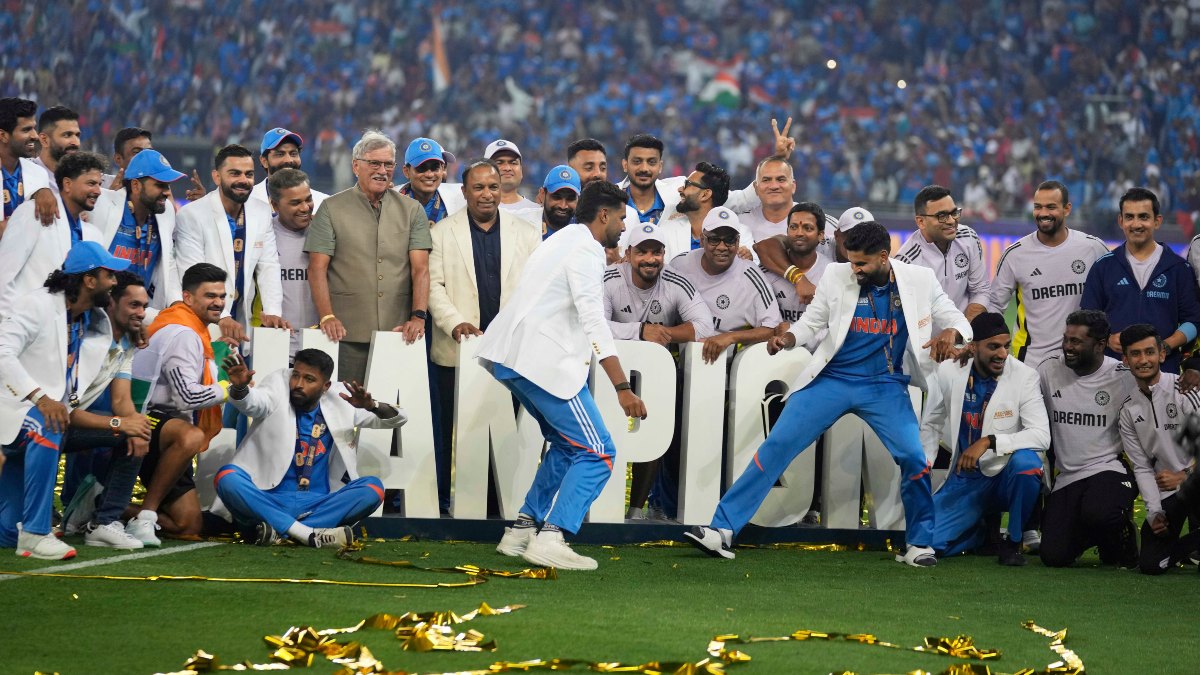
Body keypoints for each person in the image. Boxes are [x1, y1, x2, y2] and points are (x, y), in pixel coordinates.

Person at [685, 221, 971, 567]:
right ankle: (722, 530)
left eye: (862, 263)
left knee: (913, 457)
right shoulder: (838, 275)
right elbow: (812, 322)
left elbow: (959, 319)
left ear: (884, 257)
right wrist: (788, 338)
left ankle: (918, 545)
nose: (855, 269)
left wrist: (953, 331)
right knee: (777, 446)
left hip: (886, 385)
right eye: (851, 261)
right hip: (831, 379)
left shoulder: (918, 281)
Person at [479, 180, 646, 571]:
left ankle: (522, 530)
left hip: (513, 358)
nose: (624, 227)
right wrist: (622, 387)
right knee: (598, 452)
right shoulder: (587, 249)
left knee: (566, 444)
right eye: (621, 218)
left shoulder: (559, 239)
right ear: (603, 215)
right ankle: (553, 537)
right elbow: (593, 318)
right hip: (544, 362)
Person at [0, 241, 129, 559]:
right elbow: (2, 353)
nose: (114, 282)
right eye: (109, 275)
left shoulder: (90, 318)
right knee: (49, 422)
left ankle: (19, 529)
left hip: (32, 418)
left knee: (4, 533)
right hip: (13, 408)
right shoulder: (37, 306)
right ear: (89, 280)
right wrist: (41, 399)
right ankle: (34, 532)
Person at [427, 159, 541, 512]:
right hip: (455, 348)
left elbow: (536, 291)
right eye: (478, 187)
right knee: (446, 428)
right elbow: (433, 287)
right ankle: (442, 498)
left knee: (506, 429)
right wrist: (455, 322)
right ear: (464, 192)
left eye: (493, 186)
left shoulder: (526, 233)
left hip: (510, 351)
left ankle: (496, 502)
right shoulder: (441, 232)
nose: (487, 194)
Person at [212, 349, 405, 548]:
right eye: (296, 375)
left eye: (309, 379)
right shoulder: (278, 385)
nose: (298, 384)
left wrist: (371, 405)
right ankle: (306, 533)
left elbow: (399, 418)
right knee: (227, 477)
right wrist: (240, 389)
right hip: (267, 498)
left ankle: (278, 532)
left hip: (318, 504)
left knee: (373, 488)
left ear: (325, 386)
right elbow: (254, 404)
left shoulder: (342, 399)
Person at [920, 312, 1050, 566]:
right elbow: (932, 422)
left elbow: (1041, 435)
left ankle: (1013, 543)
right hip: (965, 478)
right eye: (993, 346)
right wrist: (923, 465)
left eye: (1006, 346)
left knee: (1027, 464)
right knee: (925, 542)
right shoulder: (948, 372)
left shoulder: (1025, 376)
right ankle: (980, 534)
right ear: (972, 347)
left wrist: (989, 441)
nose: (1002, 354)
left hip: (1004, 475)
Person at [305, 130, 432, 384]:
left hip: (398, 332)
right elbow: (317, 268)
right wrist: (327, 316)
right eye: (374, 163)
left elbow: (421, 269)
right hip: (344, 332)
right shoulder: (331, 208)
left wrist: (418, 316)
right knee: (344, 410)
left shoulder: (412, 210)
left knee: (392, 413)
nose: (382, 170)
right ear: (355, 166)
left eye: (388, 164)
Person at [129, 263, 235, 542]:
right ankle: (147, 516)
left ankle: (100, 505)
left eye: (222, 296)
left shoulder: (191, 328)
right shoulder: (184, 334)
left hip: (165, 422)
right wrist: (229, 389)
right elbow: (186, 396)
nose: (219, 303)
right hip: (146, 418)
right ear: (188, 298)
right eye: (210, 296)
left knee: (187, 525)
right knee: (190, 437)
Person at [58, 271, 154, 550]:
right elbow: (65, 409)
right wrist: (119, 424)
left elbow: (122, 401)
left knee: (138, 432)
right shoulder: (86, 341)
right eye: (134, 305)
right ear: (111, 303)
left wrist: (134, 424)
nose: (142, 313)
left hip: (70, 424)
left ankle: (104, 524)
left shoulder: (125, 343)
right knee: (127, 429)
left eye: (144, 306)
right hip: (49, 423)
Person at [1037, 310, 1139, 568]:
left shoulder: (1123, 376)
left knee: (1100, 514)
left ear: (1100, 345)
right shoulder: (1048, 370)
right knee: (1054, 557)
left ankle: (1119, 531)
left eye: (1076, 342)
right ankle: (1101, 534)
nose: (1068, 347)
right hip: (1067, 476)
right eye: (1066, 339)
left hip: (1108, 468)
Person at [175, 144, 289, 345]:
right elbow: (193, 273)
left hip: (241, 319)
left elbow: (269, 266)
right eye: (234, 173)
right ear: (217, 177)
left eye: (249, 174)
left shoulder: (261, 212)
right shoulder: (192, 214)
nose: (243, 180)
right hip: (203, 319)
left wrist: (272, 311)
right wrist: (222, 316)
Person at [989, 180, 1110, 366]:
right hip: (1032, 364)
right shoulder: (1015, 255)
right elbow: (994, 305)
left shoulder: (1093, 248)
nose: (1043, 213)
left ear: (1067, 209)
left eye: (1051, 207)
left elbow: (1112, 299)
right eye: (1038, 207)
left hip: (1083, 362)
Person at [1081, 187, 1200, 374]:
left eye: (1143, 217)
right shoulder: (1102, 267)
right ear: (1121, 221)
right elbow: (1087, 320)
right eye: (1129, 217)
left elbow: (1193, 322)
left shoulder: (1179, 268)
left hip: (1164, 373)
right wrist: (1107, 338)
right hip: (1112, 373)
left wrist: (1166, 346)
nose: (1136, 224)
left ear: (1157, 221)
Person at [1116, 323, 1200, 575]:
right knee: (1151, 565)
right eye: (1136, 354)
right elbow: (1141, 466)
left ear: (1162, 354)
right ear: (1126, 360)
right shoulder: (1128, 410)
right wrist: (1154, 512)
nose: (1144, 360)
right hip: (1169, 492)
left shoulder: (1186, 391)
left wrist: (1185, 477)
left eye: (1149, 352)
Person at [666, 208, 779, 364]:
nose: (722, 247)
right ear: (701, 240)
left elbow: (772, 328)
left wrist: (730, 337)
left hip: (727, 367)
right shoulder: (679, 264)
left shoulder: (751, 274)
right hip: (677, 363)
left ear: (738, 241)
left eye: (729, 240)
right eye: (714, 239)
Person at [0, 151, 104, 316]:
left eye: (100, 183)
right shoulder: (32, 213)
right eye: (91, 183)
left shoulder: (94, 235)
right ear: (68, 184)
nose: (98, 191)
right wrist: (9, 323)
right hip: (28, 327)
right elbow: (4, 275)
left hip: (71, 331)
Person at [88, 149, 188, 316]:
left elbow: (167, 263)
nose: (166, 192)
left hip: (142, 312)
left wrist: (177, 303)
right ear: (135, 185)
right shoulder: (102, 205)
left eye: (168, 185)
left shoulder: (166, 211)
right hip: (101, 310)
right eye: (159, 185)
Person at [603, 222, 714, 344]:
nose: (650, 259)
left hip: (660, 360)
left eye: (656, 252)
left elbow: (706, 328)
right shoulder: (609, 278)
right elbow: (594, 326)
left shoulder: (676, 281)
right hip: (617, 357)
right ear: (628, 254)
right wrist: (640, 331)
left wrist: (659, 333)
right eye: (641, 252)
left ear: (664, 254)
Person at [893, 185, 989, 320]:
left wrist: (960, 330)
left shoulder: (968, 237)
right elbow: (902, 314)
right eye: (942, 216)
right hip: (927, 340)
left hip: (964, 336)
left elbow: (981, 290)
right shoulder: (907, 262)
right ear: (921, 222)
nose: (951, 221)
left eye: (954, 213)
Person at [265, 168, 319, 358]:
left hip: (321, 343)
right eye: (295, 202)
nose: (305, 207)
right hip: (273, 344)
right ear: (275, 205)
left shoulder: (326, 231)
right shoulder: (263, 235)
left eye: (308, 199)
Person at [658, 163, 755, 262]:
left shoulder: (740, 233)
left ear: (705, 194)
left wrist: (748, 260)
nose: (680, 189)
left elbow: (753, 267)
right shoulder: (667, 230)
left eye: (687, 184)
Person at [759, 202, 832, 328]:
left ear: (820, 235)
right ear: (787, 231)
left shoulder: (831, 273)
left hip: (816, 347)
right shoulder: (767, 270)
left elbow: (834, 327)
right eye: (793, 227)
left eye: (807, 228)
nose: (799, 233)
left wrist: (794, 334)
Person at [0, 97, 53, 228]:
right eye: (26, 130)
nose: (35, 135)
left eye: (34, 128)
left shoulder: (39, 175)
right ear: (3, 136)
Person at [250, 127, 328, 211]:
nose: (288, 160)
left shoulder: (322, 202)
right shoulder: (248, 200)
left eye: (293, 154)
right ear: (264, 161)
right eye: (280, 154)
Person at [397, 136, 463, 223]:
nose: (429, 174)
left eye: (435, 167)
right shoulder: (392, 202)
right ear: (406, 172)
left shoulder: (461, 198)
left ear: (443, 169)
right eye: (421, 168)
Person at [513, 164, 581, 240]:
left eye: (570, 199)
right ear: (542, 195)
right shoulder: (522, 223)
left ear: (579, 200)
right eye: (556, 197)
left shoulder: (585, 230)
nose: (563, 205)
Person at [740, 156, 798, 243]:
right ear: (756, 188)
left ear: (793, 186)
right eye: (766, 180)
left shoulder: (816, 221)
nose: (774, 186)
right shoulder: (740, 223)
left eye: (781, 180)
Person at [29, 106, 81, 197]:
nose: (75, 142)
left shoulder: (83, 180)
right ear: (44, 140)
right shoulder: (26, 176)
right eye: (67, 135)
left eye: (77, 135)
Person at [484, 139, 538, 211]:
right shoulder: (472, 210)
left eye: (513, 163)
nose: (507, 168)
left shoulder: (536, 212)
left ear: (521, 170)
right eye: (499, 162)